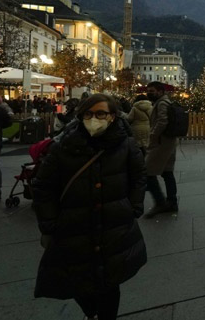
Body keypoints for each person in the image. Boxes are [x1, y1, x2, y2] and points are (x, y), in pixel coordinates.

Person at [32, 93, 147, 320]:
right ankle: (91, 311)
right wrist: (49, 222)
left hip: (113, 225)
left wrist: (134, 206)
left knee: (110, 281)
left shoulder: (126, 145)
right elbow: (43, 186)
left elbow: (138, 177)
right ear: (81, 116)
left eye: (101, 113)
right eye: (89, 113)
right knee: (75, 278)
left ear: (113, 116)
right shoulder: (64, 145)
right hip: (74, 226)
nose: (94, 118)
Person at [143, 82, 179, 218]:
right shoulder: (164, 101)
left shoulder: (162, 103)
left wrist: (153, 134)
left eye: (152, 91)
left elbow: (162, 121)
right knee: (167, 172)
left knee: (147, 172)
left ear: (160, 91)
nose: (149, 93)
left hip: (161, 143)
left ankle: (160, 202)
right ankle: (171, 202)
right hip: (167, 142)